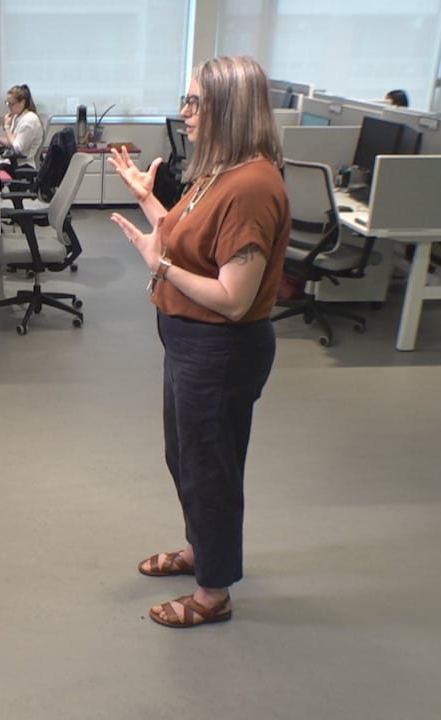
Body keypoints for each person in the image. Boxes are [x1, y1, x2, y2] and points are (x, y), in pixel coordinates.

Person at [108, 56, 289, 629]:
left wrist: (160, 268)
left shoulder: (251, 187)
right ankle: (201, 549)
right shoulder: (219, 172)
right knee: (187, 458)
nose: (184, 112)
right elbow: (189, 244)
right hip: (189, 341)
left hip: (220, 350)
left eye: (195, 102)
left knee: (210, 468)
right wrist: (147, 199)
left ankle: (213, 592)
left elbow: (233, 297)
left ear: (228, 109)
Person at [0, 84, 44, 172]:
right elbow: (12, 142)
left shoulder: (29, 120)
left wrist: (7, 127)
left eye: (12, 104)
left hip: (23, 165)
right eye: (7, 103)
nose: (9, 106)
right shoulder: (18, 116)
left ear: (22, 102)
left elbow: (17, 149)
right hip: (14, 163)